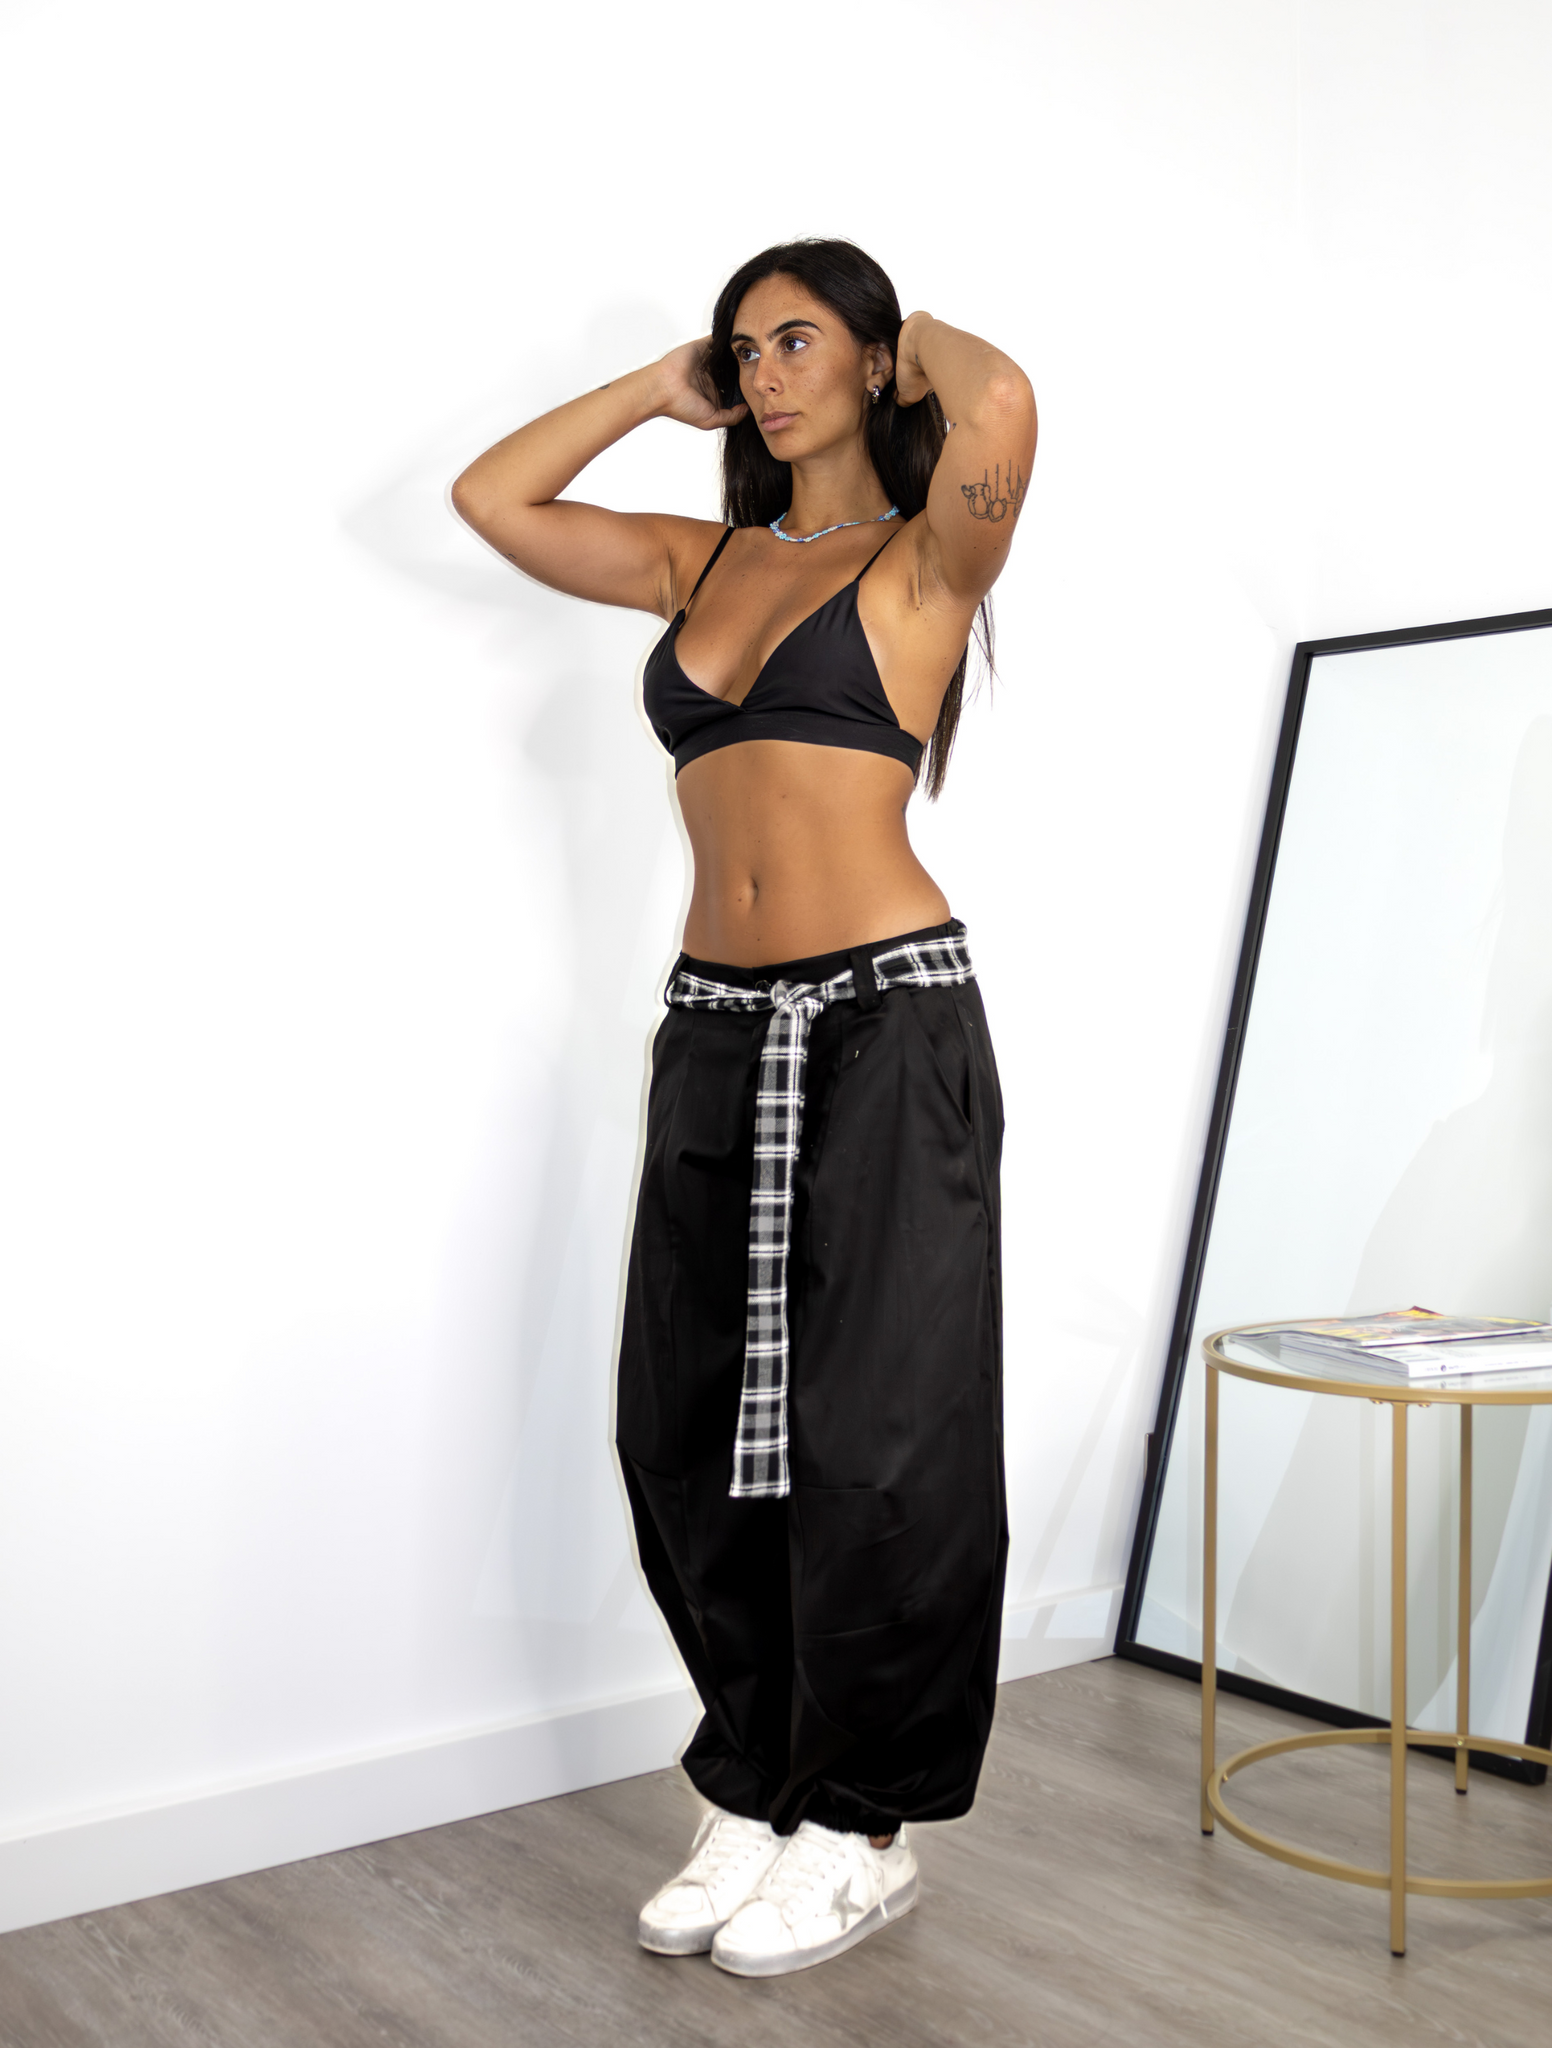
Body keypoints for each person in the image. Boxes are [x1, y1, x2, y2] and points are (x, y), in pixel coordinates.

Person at [452, 238, 1034, 1978]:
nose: (766, 372)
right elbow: (492, 499)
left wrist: (910, 338)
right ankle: (757, 1784)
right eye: (744, 348)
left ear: (870, 360)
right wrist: (658, 386)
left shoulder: (928, 556)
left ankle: (861, 1825)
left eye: (797, 341)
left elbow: (1003, 400)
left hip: (885, 1024)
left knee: (882, 1440)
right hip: (712, 1027)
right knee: (685, 1425)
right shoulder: (695, 560)